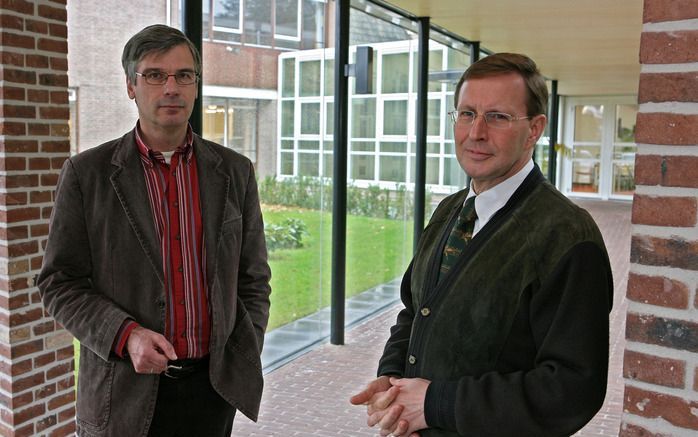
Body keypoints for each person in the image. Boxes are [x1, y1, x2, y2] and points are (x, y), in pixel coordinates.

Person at [350, 53, 613, 437]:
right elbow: (416, 309)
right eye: (467, 113)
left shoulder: (567, 236)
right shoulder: (449, 211)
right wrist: (392, 378)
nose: (476, 133)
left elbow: (572, 388)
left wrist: (436, 403)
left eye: (498, 117)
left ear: (535, 129)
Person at [38, 24, 271, 437]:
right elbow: (59, 282)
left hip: (213, 390)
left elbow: (253, 278)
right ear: (131, 86)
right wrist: (125, 336)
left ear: (196, 86)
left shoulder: (234, 172)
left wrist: (242, 345)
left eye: (184, 75)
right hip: (122, 392)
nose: (171, 87)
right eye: (154, 75)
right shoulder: (86, 175)